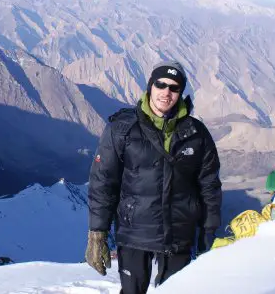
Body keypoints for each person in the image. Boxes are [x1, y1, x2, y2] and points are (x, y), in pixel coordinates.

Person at [85, 60, 222, 294]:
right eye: (161, 84)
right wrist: (97, 233)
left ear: (180, 93)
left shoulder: (197, 134)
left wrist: (208, 235)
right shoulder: (122, 128)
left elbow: (209, 187)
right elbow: (103, 182)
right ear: (150, 86)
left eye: (174, 87)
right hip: (135, 232)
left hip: (179, 233)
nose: (166, 92)